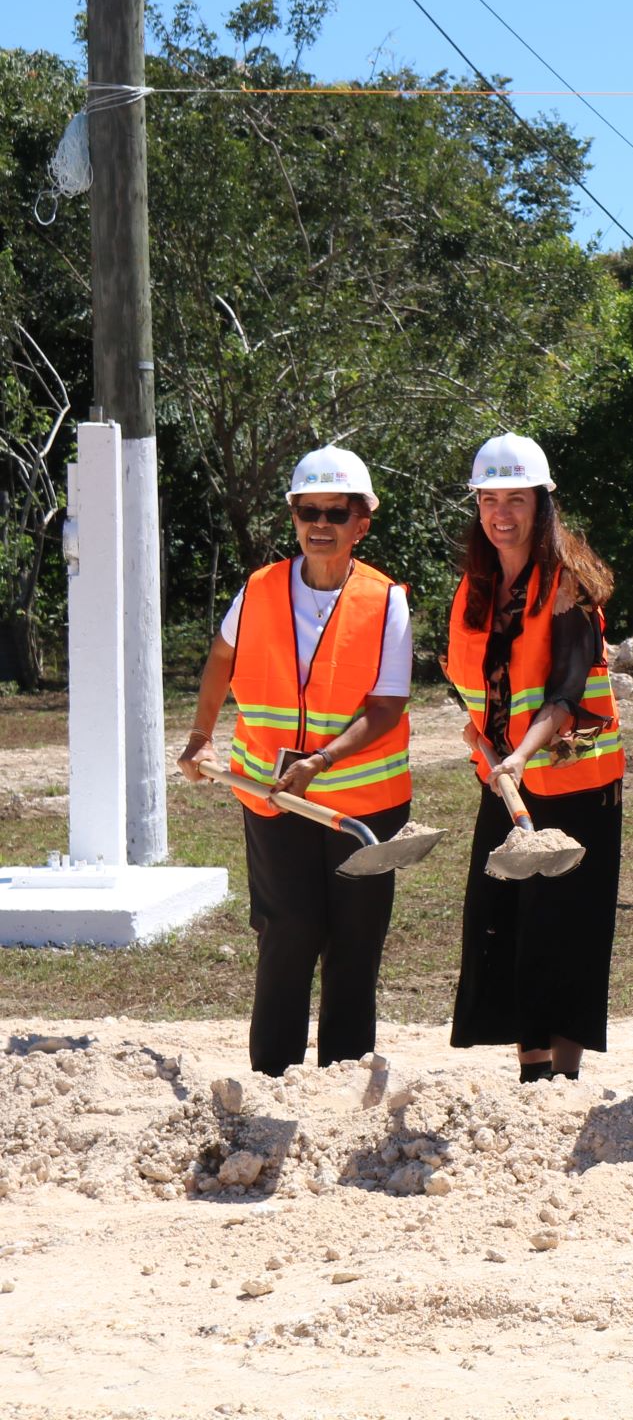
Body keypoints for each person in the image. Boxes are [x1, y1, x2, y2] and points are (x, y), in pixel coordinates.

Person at [176, 446, 412, 1077]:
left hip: (363, 803)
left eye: (336, 511)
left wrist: (321, 761)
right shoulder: (258, 590)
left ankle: (343, 1076)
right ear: (294, 515)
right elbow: (222, 660)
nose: (321, 523)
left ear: (362, 521)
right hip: (273, 799)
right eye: (309, 510)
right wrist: (202, 736)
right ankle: (271, 1080)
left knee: (354, 945)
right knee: (287, 932)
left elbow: (386, 706)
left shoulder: (386, 601)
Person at [443, 434, 625, 1084]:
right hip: (508, 785)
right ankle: (532, 1075)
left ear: (541, 504)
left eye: (514, 499)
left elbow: (565, 696)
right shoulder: (476, 588)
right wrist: (487, 749)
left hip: (577, 787)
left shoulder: (567, 588)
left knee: (564, 933)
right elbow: (470, 689)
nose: (500, 513)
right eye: (489, 499)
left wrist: (516, 755)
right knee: (504, 926)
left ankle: (561, 1083)